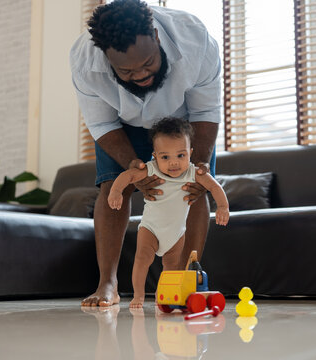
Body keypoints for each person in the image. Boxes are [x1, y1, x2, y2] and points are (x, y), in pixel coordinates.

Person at [70, 0, 222, 306]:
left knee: (194, 188)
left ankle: (182, 281)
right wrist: (133, 167)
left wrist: (199, 165)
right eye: (126, 70)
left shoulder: (195, 40)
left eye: (148, 62)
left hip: (182, 122)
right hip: (122, 124)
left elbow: (205, 110)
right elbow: (101, 122)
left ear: (154, 34)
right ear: (106, 56)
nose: (140, 75)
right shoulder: (84, 61)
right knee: (113, 187)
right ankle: (108, 285)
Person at [108, 117, 229, 308]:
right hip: (151, 228)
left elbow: (215, 187)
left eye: (180, 155)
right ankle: (138, 295)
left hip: (176, 233)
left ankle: (162, 294)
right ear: (155, 156)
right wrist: (116, 191)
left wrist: (223, 206)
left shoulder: (194, 172)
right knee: (142, 259)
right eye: (165, 157)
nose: (174, 163)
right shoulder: (151, 170)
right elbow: (128, 175)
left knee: (172, 267)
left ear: (190, 153)